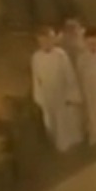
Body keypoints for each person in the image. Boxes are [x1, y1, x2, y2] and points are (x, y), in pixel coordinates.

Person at [31, 25, 84, 153]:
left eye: (49, 39)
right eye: (43, 40)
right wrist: (39, 97)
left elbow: (69, 74)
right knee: (52, 122)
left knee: (66, 121)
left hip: (62, 93)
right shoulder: (36, 57)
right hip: (47, 95)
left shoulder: (60, 55)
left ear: (53, 39)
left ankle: (71, 145)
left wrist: (72, 94)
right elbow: (36, 79)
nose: (46, 43)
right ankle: (57, 146)